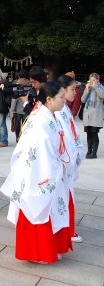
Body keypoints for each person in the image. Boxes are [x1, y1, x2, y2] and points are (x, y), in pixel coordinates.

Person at [0, 82, 72, 263]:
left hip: (47, 168)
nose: (64, 101)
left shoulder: (47, 115)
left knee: (49, 210)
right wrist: (57, 166)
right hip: (39, 171)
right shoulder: (41, 119)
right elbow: (41, 151)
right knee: (39, 209)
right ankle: (39, 252)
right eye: (61, 97)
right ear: (49, 99)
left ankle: (48, 249)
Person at [56, 75, 86, 243]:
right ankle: (66, 230)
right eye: (73, 89)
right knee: (64, 197)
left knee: (67, 196)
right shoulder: (59, 110)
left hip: (68, 160)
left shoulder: (64, 108)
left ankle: (67, 228)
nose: (75, 92)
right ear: (63, 89)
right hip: (62, 162)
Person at [81, 72, 104, 159]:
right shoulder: (88, 88)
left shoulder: (101, 87)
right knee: (88, 134)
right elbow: (82, 100)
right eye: (90, 80)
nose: (92, 82)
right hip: (87, 114)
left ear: (98, 80)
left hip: (96, 114)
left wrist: (95, 87)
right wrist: (86, 90)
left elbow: (102, 95)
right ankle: (89, 151)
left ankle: (94, 153)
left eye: (94, 80)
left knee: (94, 133)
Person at [10, 69, 29, 142]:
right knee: (26, 126)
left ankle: (18, 138)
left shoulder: (16, 85)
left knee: (17, 126)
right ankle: (24, 139)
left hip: (18, 110)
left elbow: (14, 98)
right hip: (27, 109)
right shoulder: (30, 85)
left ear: (19, 76)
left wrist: (12, 110)